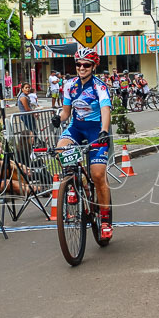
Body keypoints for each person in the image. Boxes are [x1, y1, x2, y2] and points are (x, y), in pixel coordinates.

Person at [52, 47, 114, 240]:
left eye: (86, 65)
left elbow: (105, 110)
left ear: (93, 66)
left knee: (98, 174)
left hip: (96, 129)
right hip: (77, 127)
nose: (81, 67)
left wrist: (104, 131)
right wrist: (58, 118)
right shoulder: (70, 84)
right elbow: (66, 112)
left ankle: (105, 221)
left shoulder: (99, 86)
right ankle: (74, 185)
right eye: (78, 64)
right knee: (60, 149)